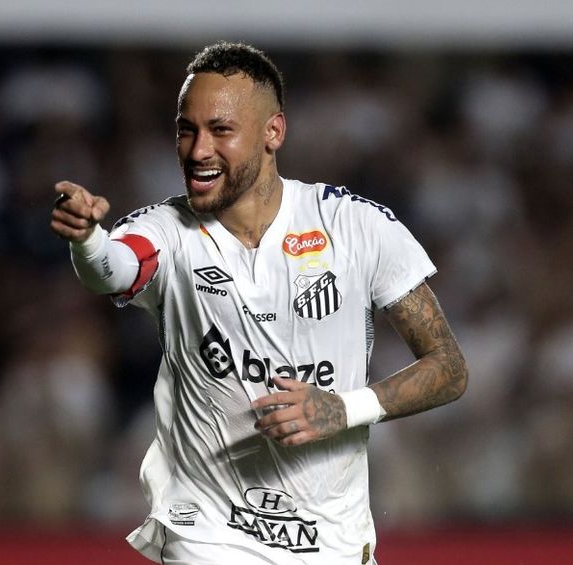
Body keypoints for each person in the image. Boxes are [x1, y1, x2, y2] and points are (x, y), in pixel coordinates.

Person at [50, 41, 468, 565]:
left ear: (273, 132)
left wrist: (344, 408)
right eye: (186, 130)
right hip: (208, 538)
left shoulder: (354, 226)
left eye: (220, 130)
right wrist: (87, 239)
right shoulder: (167, 230)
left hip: (332, 544)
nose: (197, 150)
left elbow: (449, 367)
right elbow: (114, 267)